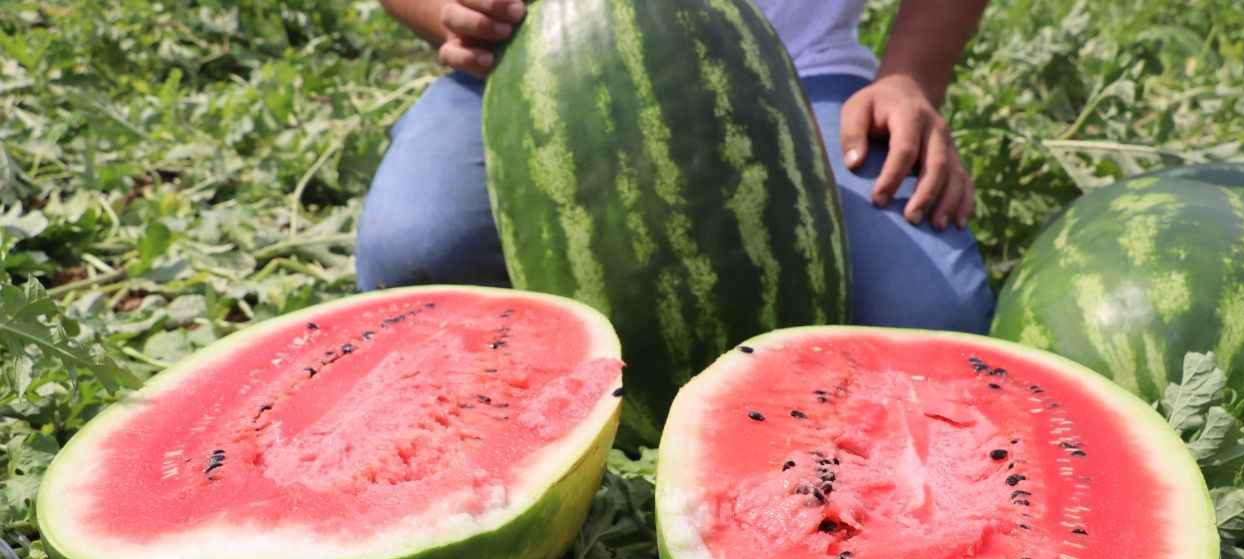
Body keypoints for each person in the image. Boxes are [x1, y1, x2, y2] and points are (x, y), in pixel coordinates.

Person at [357, 0, 993, 333]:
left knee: (931, 321)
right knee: (414, 253)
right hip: (541, 53)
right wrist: (448, 9)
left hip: (806, 68)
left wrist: (910, 77)